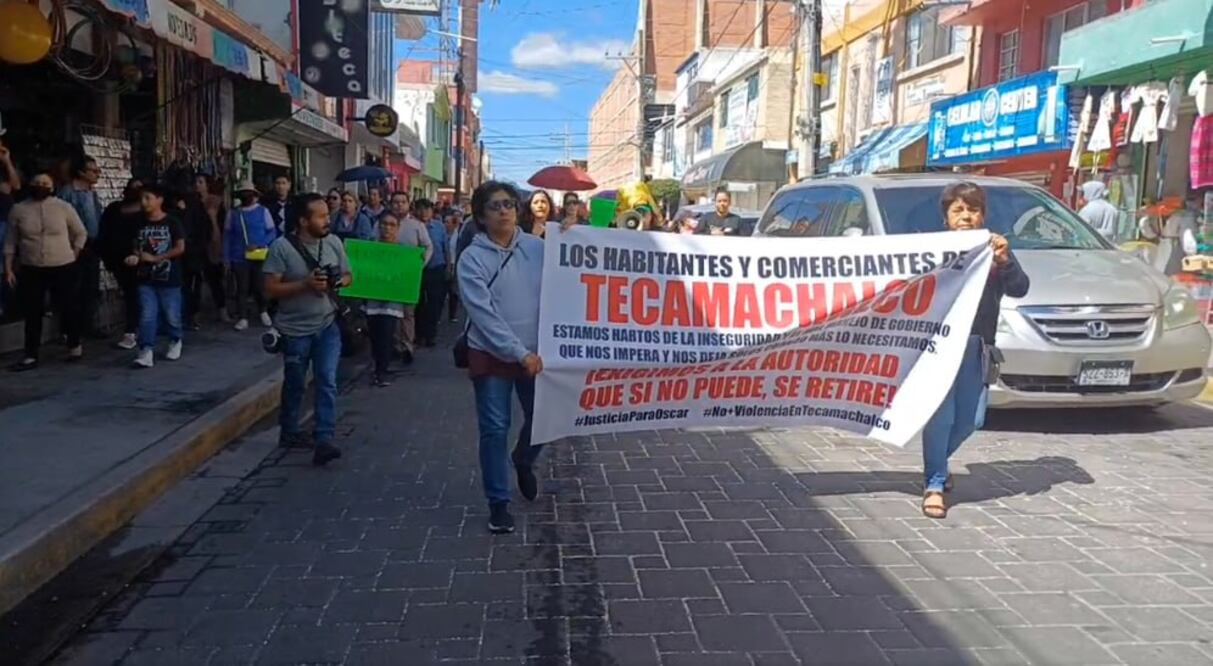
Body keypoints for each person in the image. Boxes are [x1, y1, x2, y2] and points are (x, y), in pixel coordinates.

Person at [921, 182, 1030, 519]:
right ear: (946, 218)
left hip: (977, 346)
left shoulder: (993, 250)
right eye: (958, 210)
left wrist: (1006, 261)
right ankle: (935, 483)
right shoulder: (930, 250)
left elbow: (1020, 289)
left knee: (972, 419)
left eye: (973, 210)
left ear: (982, 215)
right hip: (938, 347)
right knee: (941, 418)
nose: (966, 216)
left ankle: (937, 460)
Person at [458, 181, 546, 534]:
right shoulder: (472, 258)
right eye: (495, 206)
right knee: (495, 429)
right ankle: (499, 503)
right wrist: (517, 352)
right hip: (492, 354)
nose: (505, 210)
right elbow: (483, 315)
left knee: (544, 421)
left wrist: (573, 235)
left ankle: (523, 459)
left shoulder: (538, 248)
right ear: (480, 215)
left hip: (536, 355)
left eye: (510, 203)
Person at [263, 193, 352, 465]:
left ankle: (324, 437)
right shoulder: (281, 248)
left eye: (328, 215)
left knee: (326, 380)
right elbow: (269, 288)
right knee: (295, 384)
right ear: (303, 221)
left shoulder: (334, 242)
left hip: (327, 325)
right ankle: (289, 431)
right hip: (294, 330)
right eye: (321, 216)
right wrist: (304, 285)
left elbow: (349, 276)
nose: (328, 220)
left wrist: (339, 281)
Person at [4, 173, 87, 371]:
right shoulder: (18, 210)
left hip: (62, 264)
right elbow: (10, 241)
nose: (41, 186)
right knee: (32, 311)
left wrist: (74, 252)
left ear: (52, 187)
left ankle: (74, 344)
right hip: (31, 266)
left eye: (45, 183)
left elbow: (80, 232)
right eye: (37, 183)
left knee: (68, 306)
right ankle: (31, 354)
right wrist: (8, 268)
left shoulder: (63, 207)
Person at [127, 184, 186, 368]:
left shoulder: (172, 222)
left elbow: (180, 247)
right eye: (142, 199)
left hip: (169, 277)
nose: (144, 203)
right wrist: (135, 256)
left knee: (171, 314)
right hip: (145, 278)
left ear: (159, 200)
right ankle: (146, 350)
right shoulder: (138, 223)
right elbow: (136, 246)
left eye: (148, 198)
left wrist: (157, 258)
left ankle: (175, 339)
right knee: (147, 314)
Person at [58, 156, 105, 336]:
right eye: (93, 170)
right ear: (81, 172)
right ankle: (69, 330)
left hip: (92, 245)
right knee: (73, 289)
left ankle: (88, 325)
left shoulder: (91, 193)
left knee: (90, 287)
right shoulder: (68, 193)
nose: (97, 173)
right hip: (73, 246)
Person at [99, 179, 145, 349]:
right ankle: (132, 330)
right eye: (133, 188)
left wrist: (140, 254)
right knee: (131, 294)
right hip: (119, 261)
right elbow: (104, 235)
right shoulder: (114, 209)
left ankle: (134, 331)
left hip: (143, 260)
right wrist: (108, 260)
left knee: (140, 295)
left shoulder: (148, 212)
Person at [224, 182, 276, 331]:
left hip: (259, 255)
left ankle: (263, 311)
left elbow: (271, 232)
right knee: (242, 288)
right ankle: (243, 317)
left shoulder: (263, 211)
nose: (246, 196)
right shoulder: (233, 213)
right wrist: (226, 258)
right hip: (238, 256)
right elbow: (227, 236)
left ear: (254, 195)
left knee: (260, 286)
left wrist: (260, 244)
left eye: (248, 193)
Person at [391, 191, 432, 362]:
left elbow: (428, 247)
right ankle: (394, 346)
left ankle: (407, 346)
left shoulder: (417, 226)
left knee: (408, 313)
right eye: (396, 202)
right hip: (389, 276)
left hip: (410, 275)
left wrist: (421, 264)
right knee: (391, 311)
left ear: (408, 205)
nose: (399, 205)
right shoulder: (383, 223)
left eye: (402, 202)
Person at [365, 212, 405, 387]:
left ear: (397, 228)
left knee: (387, 336)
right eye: (384, 224)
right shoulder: (370, 248)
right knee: (375, 337)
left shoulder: (404, 252)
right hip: (372, 302)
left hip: (392, 303)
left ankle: (382, 371)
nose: (387, 228)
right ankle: (378, 368)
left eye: (391, 225)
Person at [182, 175, 225, 330]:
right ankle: (194, 315)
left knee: (215, 278)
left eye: (201, 182)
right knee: (195, 282)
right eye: (196, 182)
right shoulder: (190, 202)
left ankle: (222, 309)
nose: (197, 185)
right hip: (196, 247)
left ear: (208, 185)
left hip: (213, 243)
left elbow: (221, 224)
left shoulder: (215, 201)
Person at [415, 198, 449, 347]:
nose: (424, 212)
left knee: (434, 303)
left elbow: (445, 247)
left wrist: (449, 267)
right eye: (421, 209)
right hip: (418, 270)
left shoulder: (439, 227)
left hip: (436, 268)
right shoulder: (413, 226)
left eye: (427, 209)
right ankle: (419, 334)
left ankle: (431, 334)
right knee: (419, 303)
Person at [444, 208, 462, 322]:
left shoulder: (459, 236)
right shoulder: (442, 234)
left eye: (447, 222)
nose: (445, 224)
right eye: (445, 221)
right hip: (445, 263)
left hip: (455, 263)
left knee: (453, 291)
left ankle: (452, 314)